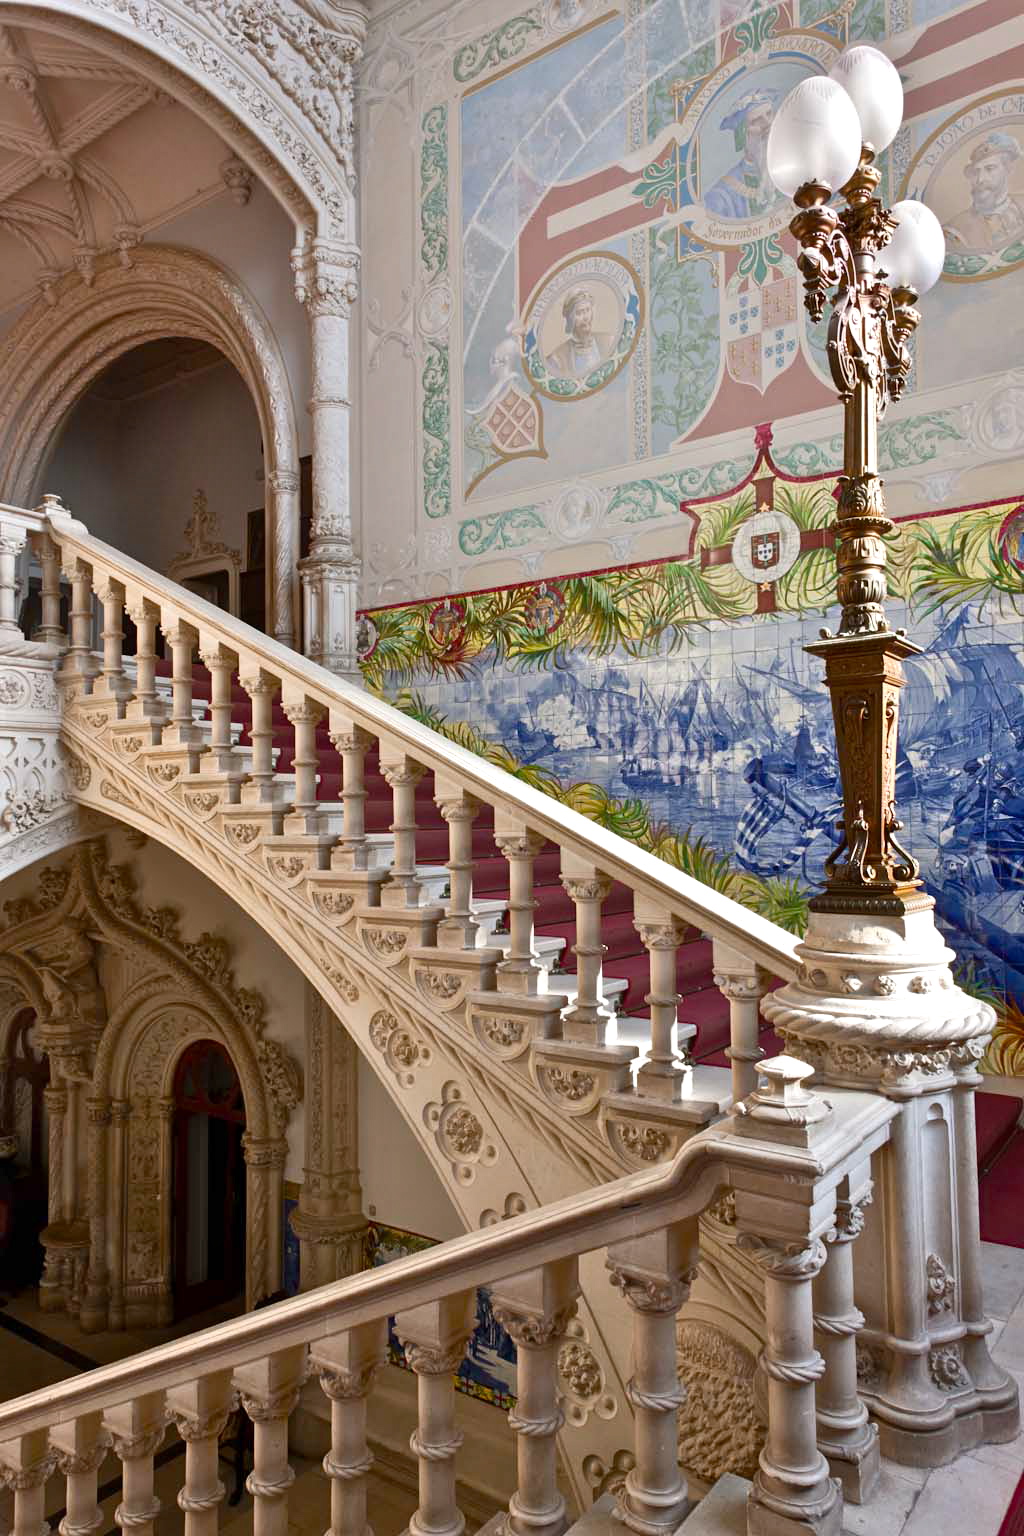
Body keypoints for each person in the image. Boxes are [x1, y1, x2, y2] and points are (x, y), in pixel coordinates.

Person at [704, 89, 778, 220]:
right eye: (757, 120)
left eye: (769, 114)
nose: (768, 123)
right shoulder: (721, 197)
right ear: (743, 136)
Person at [944, 131, 1024, 253]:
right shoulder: (956, 229)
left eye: (989, 169)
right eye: (976, 172)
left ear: (1008, 169)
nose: (980, 179)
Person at [544, 287, 616, 379]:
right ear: (570, 319)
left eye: (587, 310)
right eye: (579, 313)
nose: (586, 317)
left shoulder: (609, 341)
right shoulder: (557, 358)